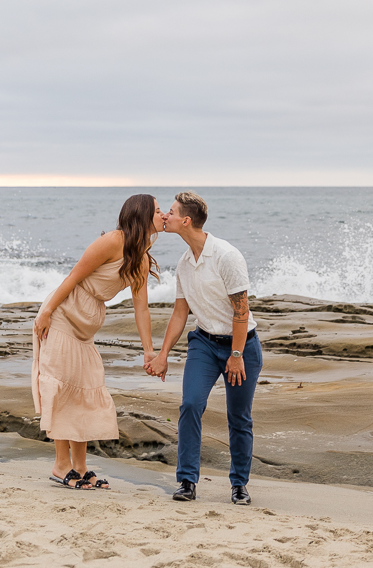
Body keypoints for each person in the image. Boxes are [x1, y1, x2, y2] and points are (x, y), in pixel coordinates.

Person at [32, 194, 163, 490]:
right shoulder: (112, 241)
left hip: (85, 328)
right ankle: (60, 465)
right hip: (63, 315)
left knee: (85, 390)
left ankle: (80, 466)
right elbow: (73, 276)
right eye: (158, 210)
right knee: (64, 388)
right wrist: (48, 312)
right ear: (142, 215)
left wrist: (149, 351)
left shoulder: (140, 258)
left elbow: (141, 307)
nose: (164, 214)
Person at [146, 191, 262, 505]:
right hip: (205, 345)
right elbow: (180, 312)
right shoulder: (184, 263)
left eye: (169, 212)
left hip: (243, 347)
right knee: (190, 405)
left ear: (186, 220)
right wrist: (163, 354)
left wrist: (236, 355)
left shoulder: (227, 255)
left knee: (239, 418)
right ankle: (187, 482)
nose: (165, 216)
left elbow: (241, 311)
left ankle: (239, 485)